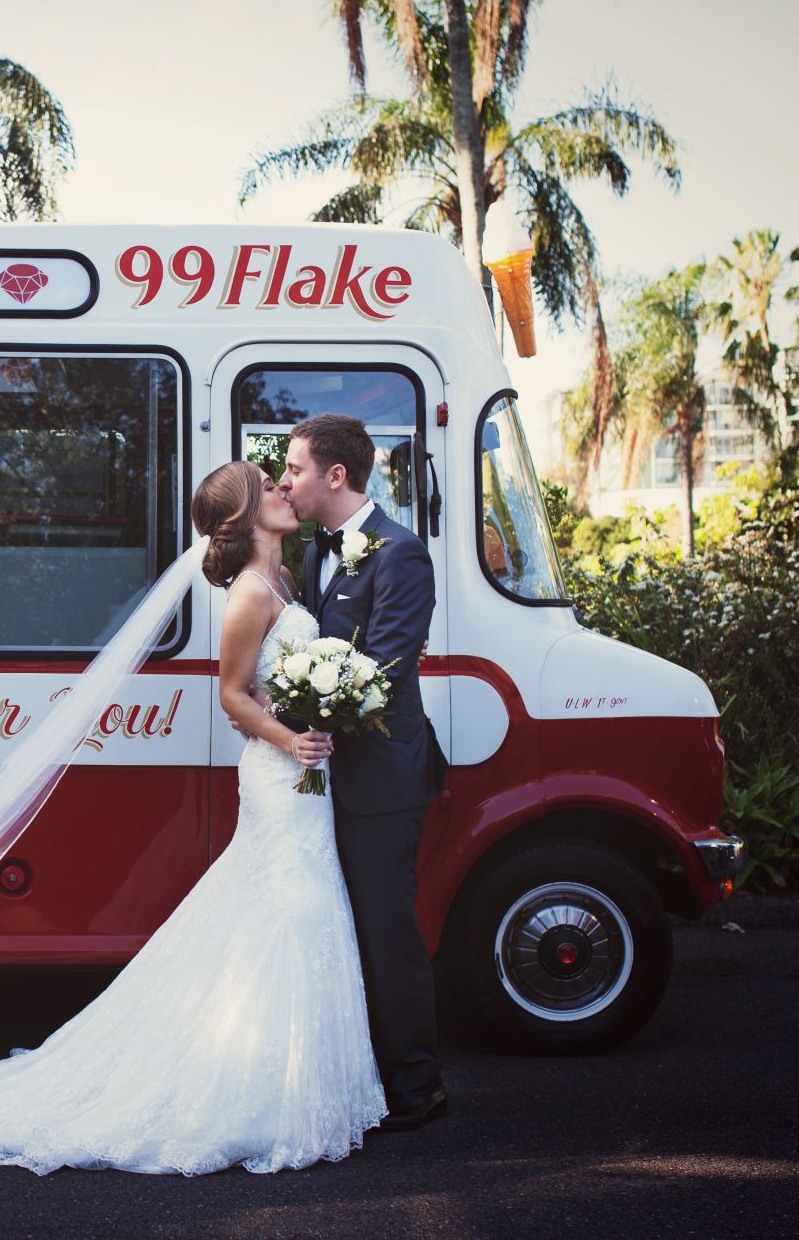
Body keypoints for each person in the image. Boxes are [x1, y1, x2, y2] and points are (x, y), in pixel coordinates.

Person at [0, 461, 388, 1174]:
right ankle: (265, 1095)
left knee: (287, 914)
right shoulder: (250, 592)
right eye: (268, 487)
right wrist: (291, 736)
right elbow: (233, 695)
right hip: (281, 775)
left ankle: (297, 1085)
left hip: (305, 773)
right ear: (245, 517)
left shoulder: (285, 580)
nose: (283, 490)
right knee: (293, 911)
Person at [281, 413, 448, 1130]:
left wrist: (297, 710)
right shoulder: (315, 554)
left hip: (380, 780)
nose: (286, 481)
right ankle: (359, 1079)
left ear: (336, 476)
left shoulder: (400, 554)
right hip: (323, 779)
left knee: (386, 931)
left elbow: (381, 670)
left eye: (294, 468)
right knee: (336, 931)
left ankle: (417, 1087)